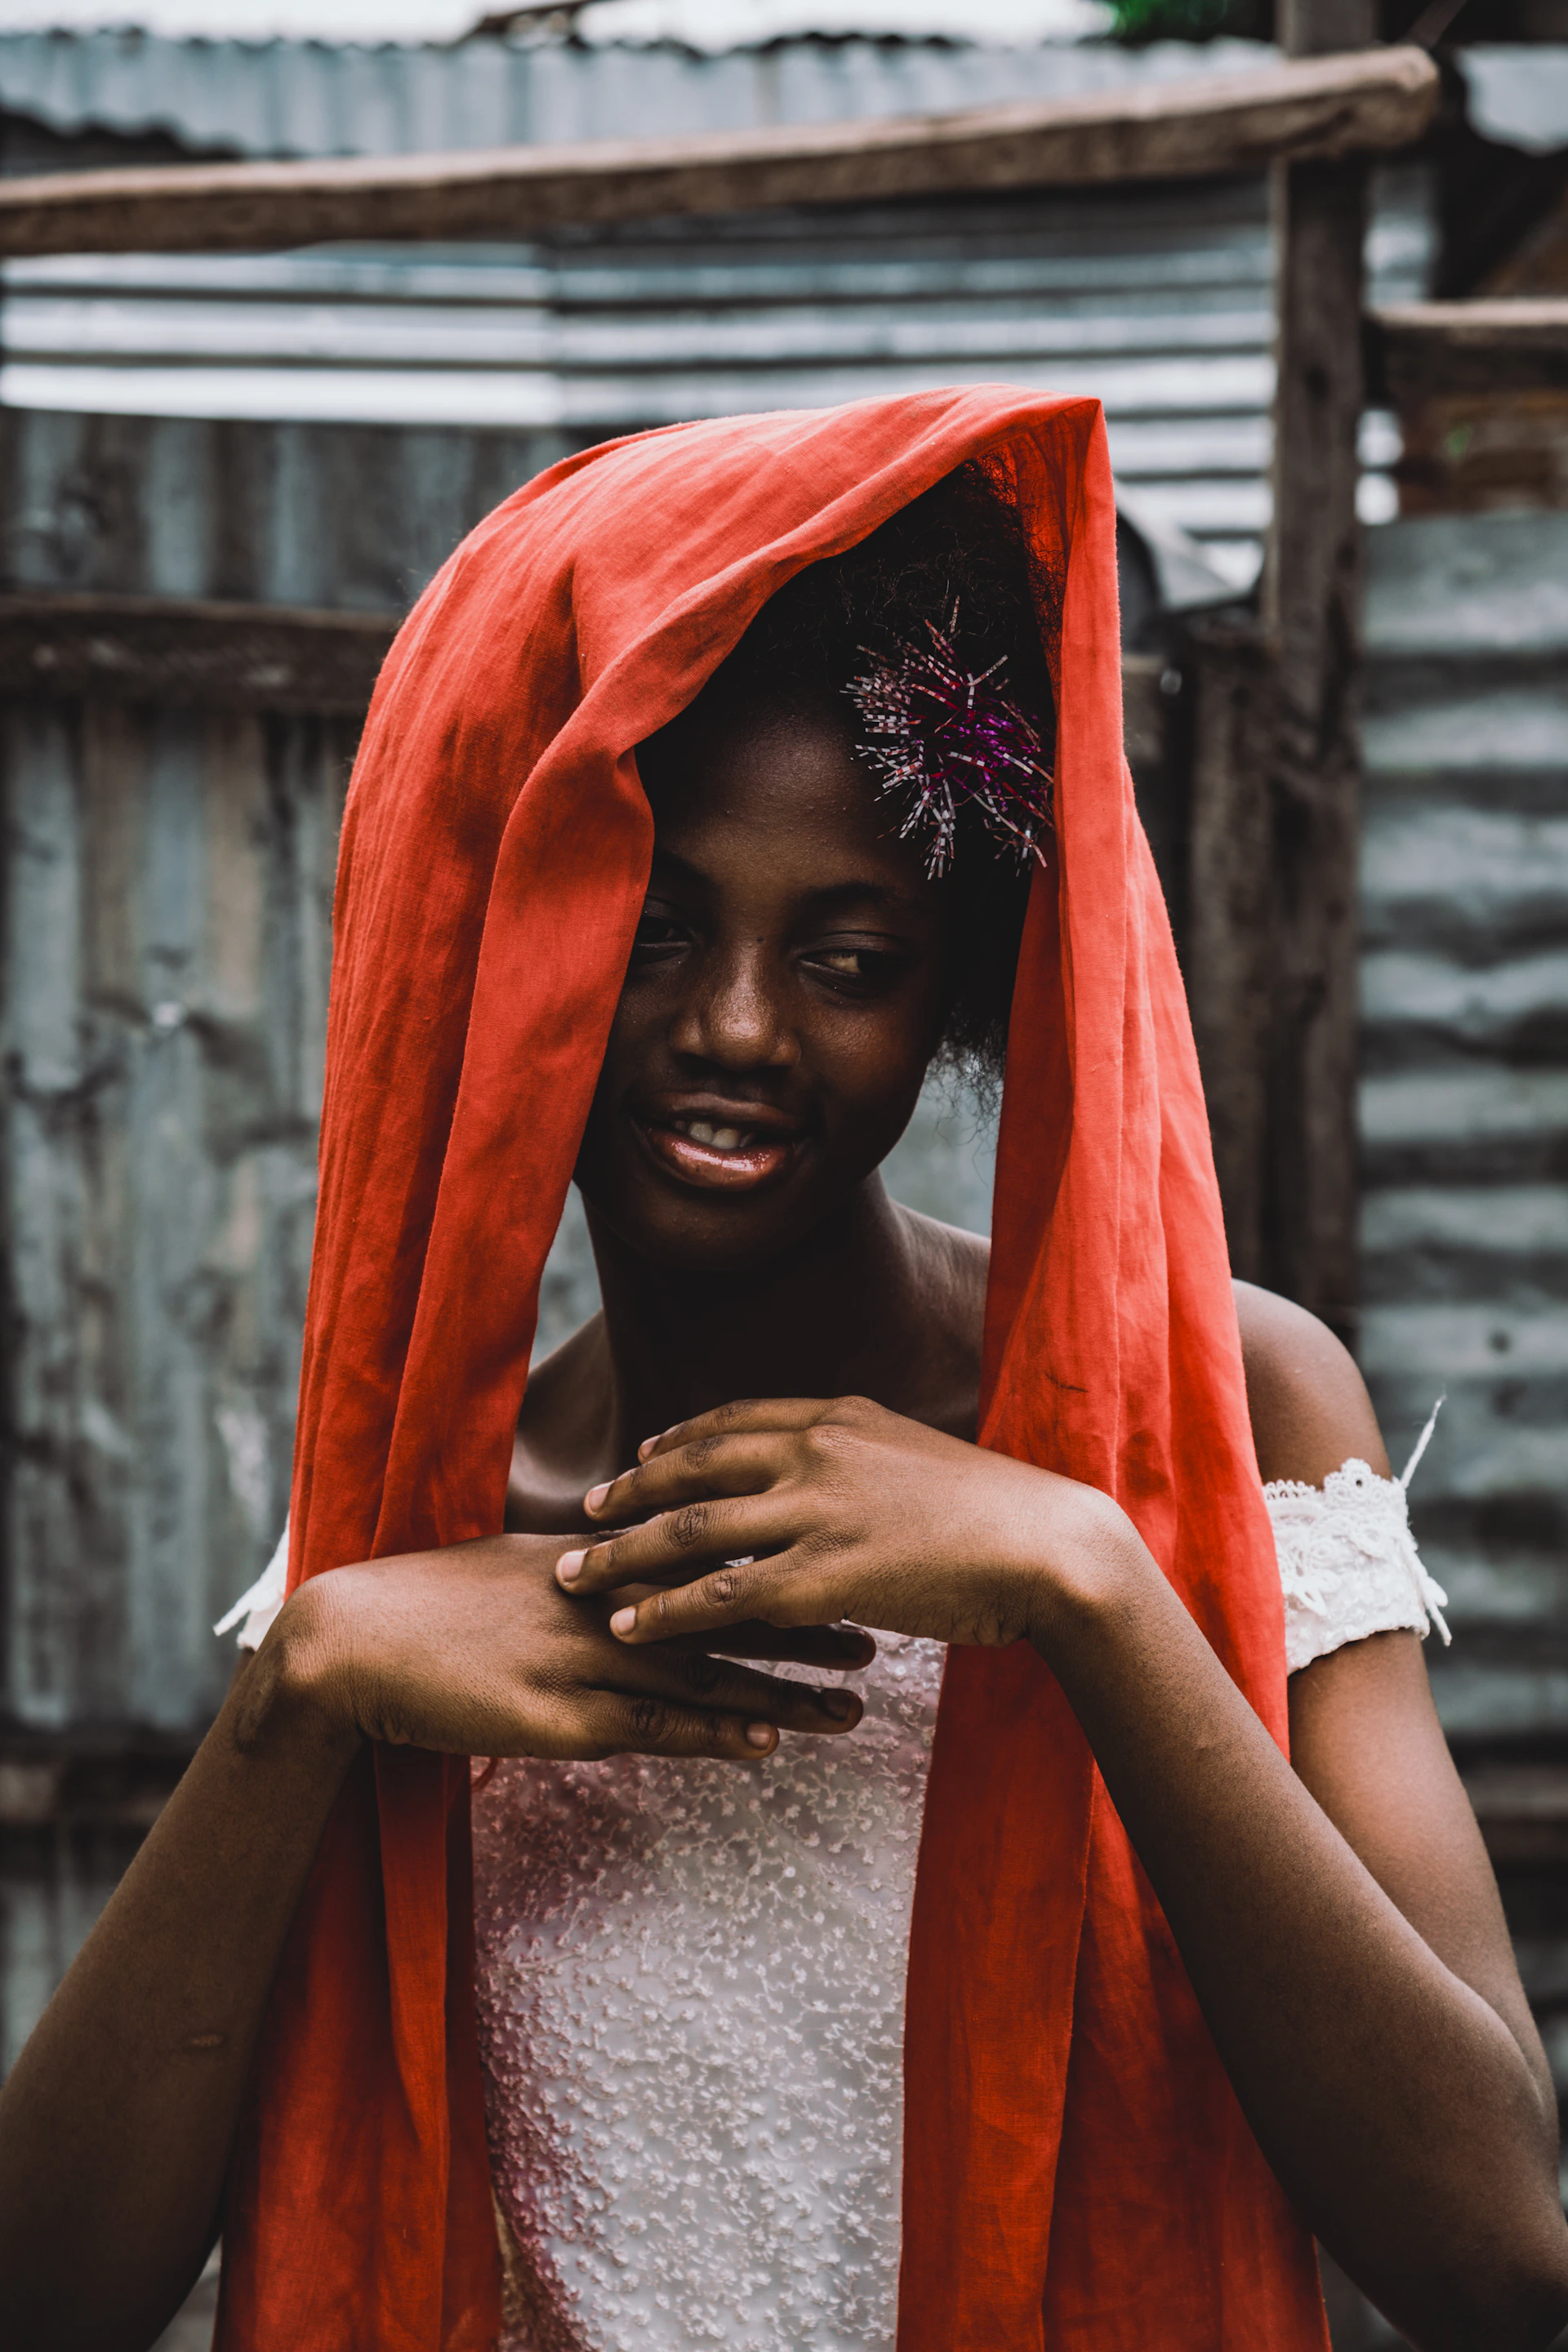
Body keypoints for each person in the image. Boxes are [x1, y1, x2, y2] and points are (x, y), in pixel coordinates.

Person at [2, 388, 1566, 2352]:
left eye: (848, 959)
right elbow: (50, 2294)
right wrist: (300, 1690)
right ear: (508, 959)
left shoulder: (1222, 1409)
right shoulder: (418, 1500)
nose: (736, 1030)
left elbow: (1501, 2258)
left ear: (962, 996)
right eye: (649, 938)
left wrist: (1086, 1586)